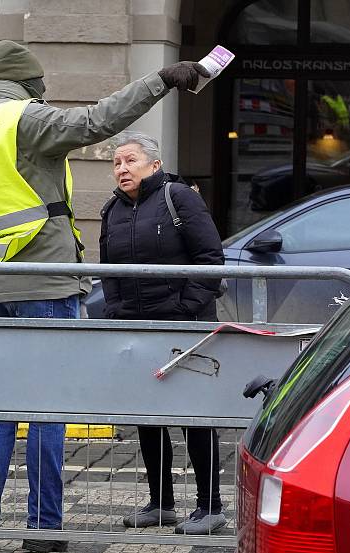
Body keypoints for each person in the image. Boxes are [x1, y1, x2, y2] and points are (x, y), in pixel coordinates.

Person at [0, 40, 210, 553]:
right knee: (47, 407)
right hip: (44, 282)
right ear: (27, 82)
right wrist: (163, 80)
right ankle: (43, 531)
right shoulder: (23, 120)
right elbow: (94, 123)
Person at [99, 131, 226, 535]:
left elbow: (210, 258)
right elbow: (109, 273)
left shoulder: (178, 197)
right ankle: (162, 504)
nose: (122, 169)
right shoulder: (111, 211)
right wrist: (118, 312)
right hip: (138, 327)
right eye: (117, 162)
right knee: (149, 417)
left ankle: (211, 505)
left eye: (130, 160)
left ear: (154, 165)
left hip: (185, 326)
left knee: (193, 416)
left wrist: (185, 309)